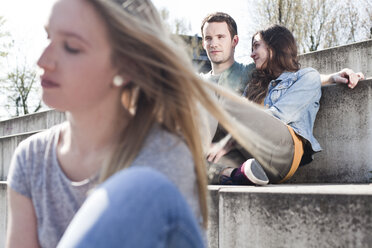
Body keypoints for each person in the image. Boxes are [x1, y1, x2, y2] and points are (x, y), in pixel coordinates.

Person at [6, 1, 248, 247]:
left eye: (71, 47)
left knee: (141, 184)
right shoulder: (31, 157)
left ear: (126, 65)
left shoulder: (164, 157)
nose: (43, 60)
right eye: (48, 37)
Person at [200, 12, 365, 185]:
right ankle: (235, 175)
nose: (252, 54)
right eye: (209, 38)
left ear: (274, 47)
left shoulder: (307, 76)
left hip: (283, 152)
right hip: (253, 157)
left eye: (256, 46)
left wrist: (332, 77)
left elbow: (277, 116)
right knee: (189, 161)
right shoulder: (255, 85)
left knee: (213, 95)